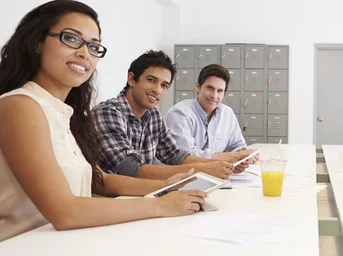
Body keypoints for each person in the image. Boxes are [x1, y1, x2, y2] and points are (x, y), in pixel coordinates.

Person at [0, 0, 207, 242]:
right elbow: (65, 211)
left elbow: (99, 181)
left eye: (93, 46)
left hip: (57, 246)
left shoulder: (66, 114)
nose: (84, 53)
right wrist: (161, 206)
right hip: (17, 255)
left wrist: (165, 186)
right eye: (71, 38)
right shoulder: (20, 105)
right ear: (37, 42)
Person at [93, 51, 248, 181]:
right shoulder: (109, 112)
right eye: (151, 80)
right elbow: (131, 170)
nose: (157, 90)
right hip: (112, 201)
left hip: (143, 194)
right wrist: (203, 169)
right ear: (132, 79)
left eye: (164, 85)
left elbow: (175, 155)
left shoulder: (153, 115)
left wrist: (217, 165)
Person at [164, 64, 257, 163]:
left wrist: (243, 158)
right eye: (210, 88)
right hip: (185, 174)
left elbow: (237, 146)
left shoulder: (227, 113)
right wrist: (229, 157)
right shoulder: (179, 114)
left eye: (220, 91)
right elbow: (185, 156)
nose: (214, 96)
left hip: (217, 174)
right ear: (198, 87)